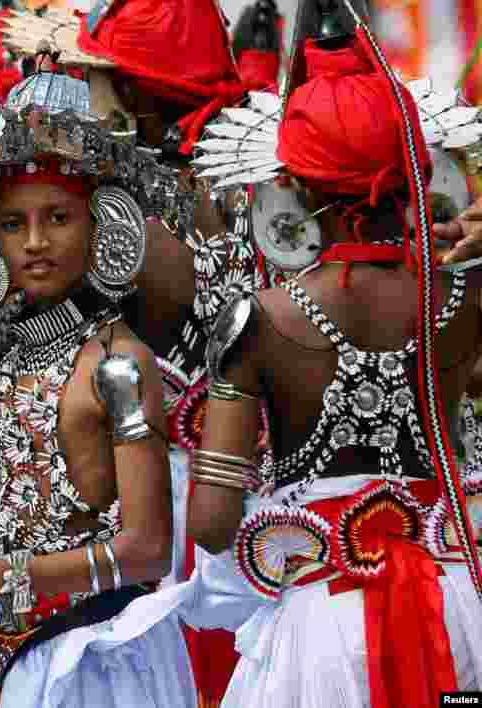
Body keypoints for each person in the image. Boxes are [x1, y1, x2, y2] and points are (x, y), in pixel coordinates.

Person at [186, 5, 482, 706]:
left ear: (299, 182)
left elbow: (211, 524)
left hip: (324, 630)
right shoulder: (467, 296)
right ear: (417, 162)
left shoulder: (254, 319)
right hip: (460, 609)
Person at [0, 71, 197, 708]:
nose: (34, 241)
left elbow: (146, 551)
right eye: (11, 223)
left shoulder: (120, 364)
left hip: (94, 660)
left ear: (101, 223)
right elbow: (36, 524)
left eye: (57, 218)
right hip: (16, 648)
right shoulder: (17, 357)